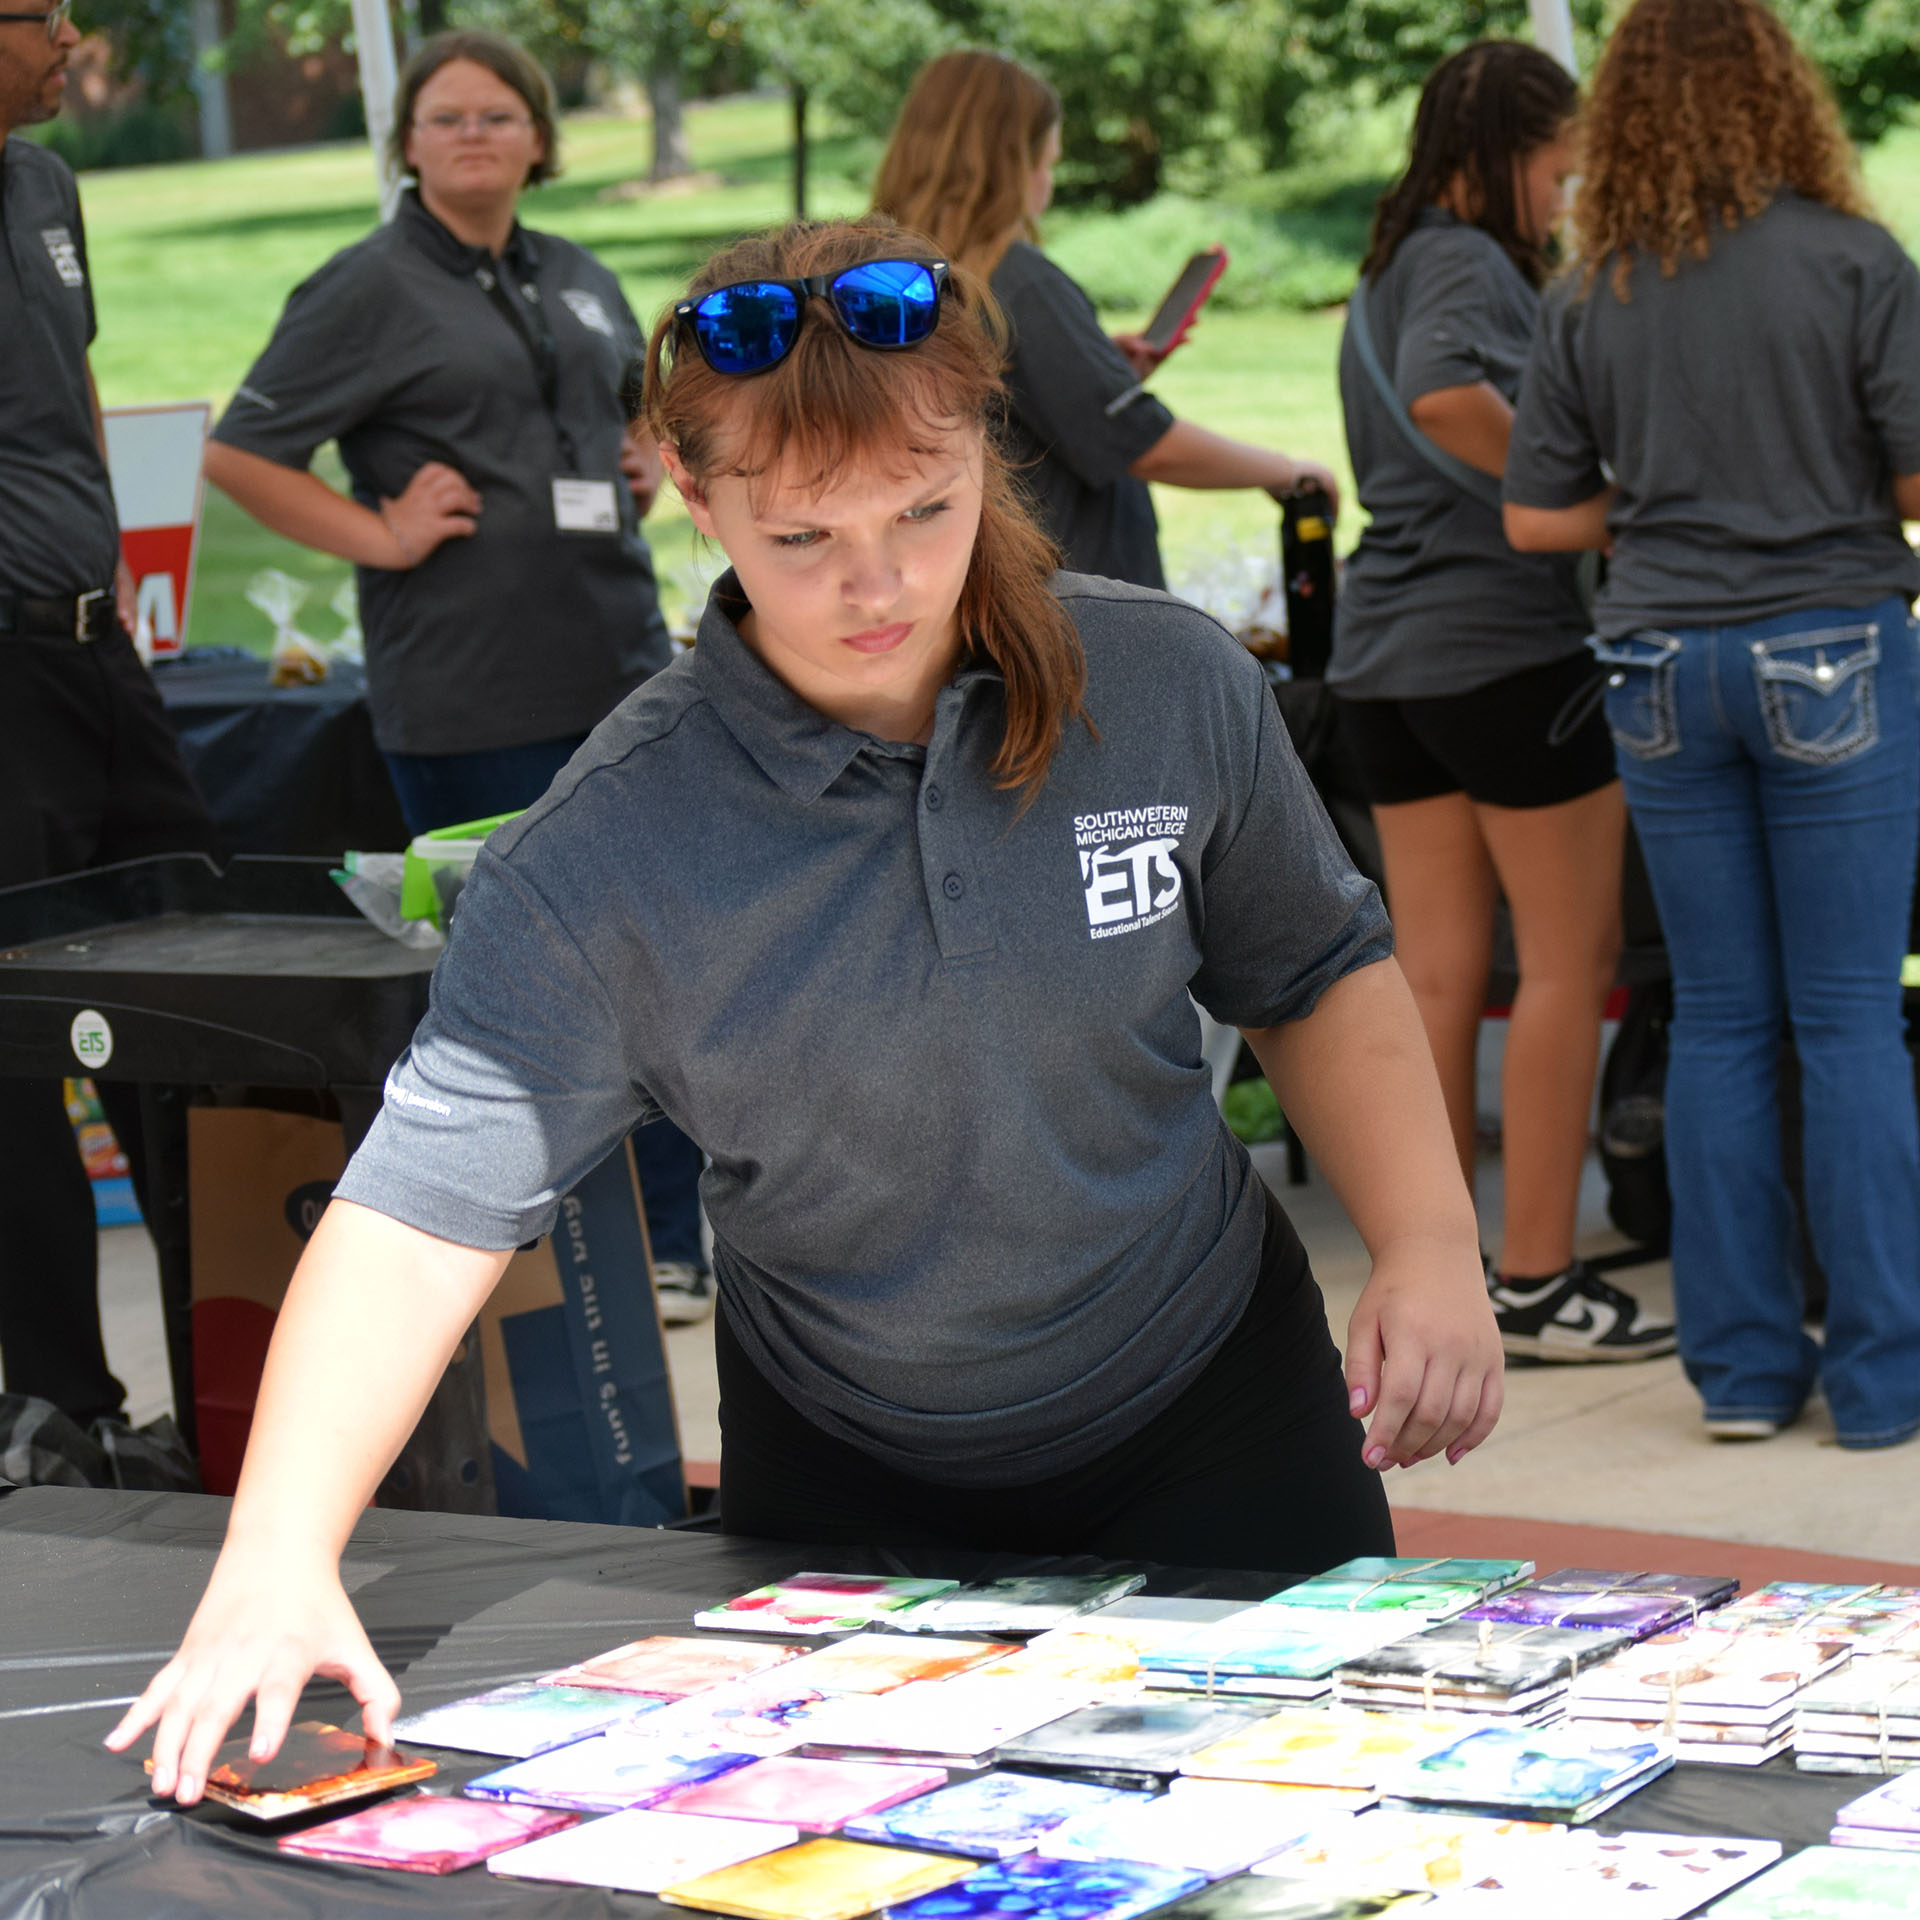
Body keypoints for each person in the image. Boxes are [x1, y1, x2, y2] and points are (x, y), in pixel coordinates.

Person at [110, 219, 1503, 1803]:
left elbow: (1313, 973)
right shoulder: (611, 845)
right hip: (848, 1470)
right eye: (800, 540)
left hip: (1215, 1411)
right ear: (693, 502)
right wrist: (278, 1552)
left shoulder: (1172, 684)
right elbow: (423, 1211)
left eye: (926, 509)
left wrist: (1429, 1241)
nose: (879, 583)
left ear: (992, 444)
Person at [204, 30, 709, 1322]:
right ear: (408, 145)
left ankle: (666, 1245)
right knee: (528, 990)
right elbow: (245, 451)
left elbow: (631, 414)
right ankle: (535, 1264)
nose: (474, 136)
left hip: (620, 670)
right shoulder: (365, 286)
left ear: (539, 138)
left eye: (499, 116)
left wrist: (642, 460)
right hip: (472, 693)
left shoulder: (582, 276)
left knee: (664, 959)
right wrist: (378, 533)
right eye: (446, 119)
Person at [1505, 0, 1920, 1448]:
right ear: (1781, 94)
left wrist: (1676, 505)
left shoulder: (1592, 287)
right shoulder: (1855, 260)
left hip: (1659, 663)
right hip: (1834, 651)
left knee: (1720, 1018)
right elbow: (1917, 481)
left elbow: (1537, 511)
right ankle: (1883, 1382)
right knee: (1852, 1016)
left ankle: (1742, 1376)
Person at [1328, 42, 1673, 1366]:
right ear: (1508, 152)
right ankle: (1537, 1277)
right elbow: (1442, 395)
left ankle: (1446, 1270)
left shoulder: (1387, 260)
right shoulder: (1467, 261)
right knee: (1570, 967)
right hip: (1504, 651)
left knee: (1436, 973)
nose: (1567, 192)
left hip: (1386, 662)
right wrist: (1593, 494)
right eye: (1558, 166)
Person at [0, 0, 217, 1425]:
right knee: (22, 1047)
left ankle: (234, 1384)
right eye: (39, 13)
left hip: (100, 647)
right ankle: (70, 1406)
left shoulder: (44, 180)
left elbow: (76, 385)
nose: (73, 34)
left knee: (201, 984)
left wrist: (128, 574)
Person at [870, 49, 1339, 590]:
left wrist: (1096, 372)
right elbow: (1143, 444)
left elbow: (1004, 418)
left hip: (976, 586)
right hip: (1075, 604)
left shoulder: (885, 281)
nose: (1047, 182)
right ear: (1011, 165)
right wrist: (1287, 471)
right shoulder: (1018, 282)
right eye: (1047, 163)